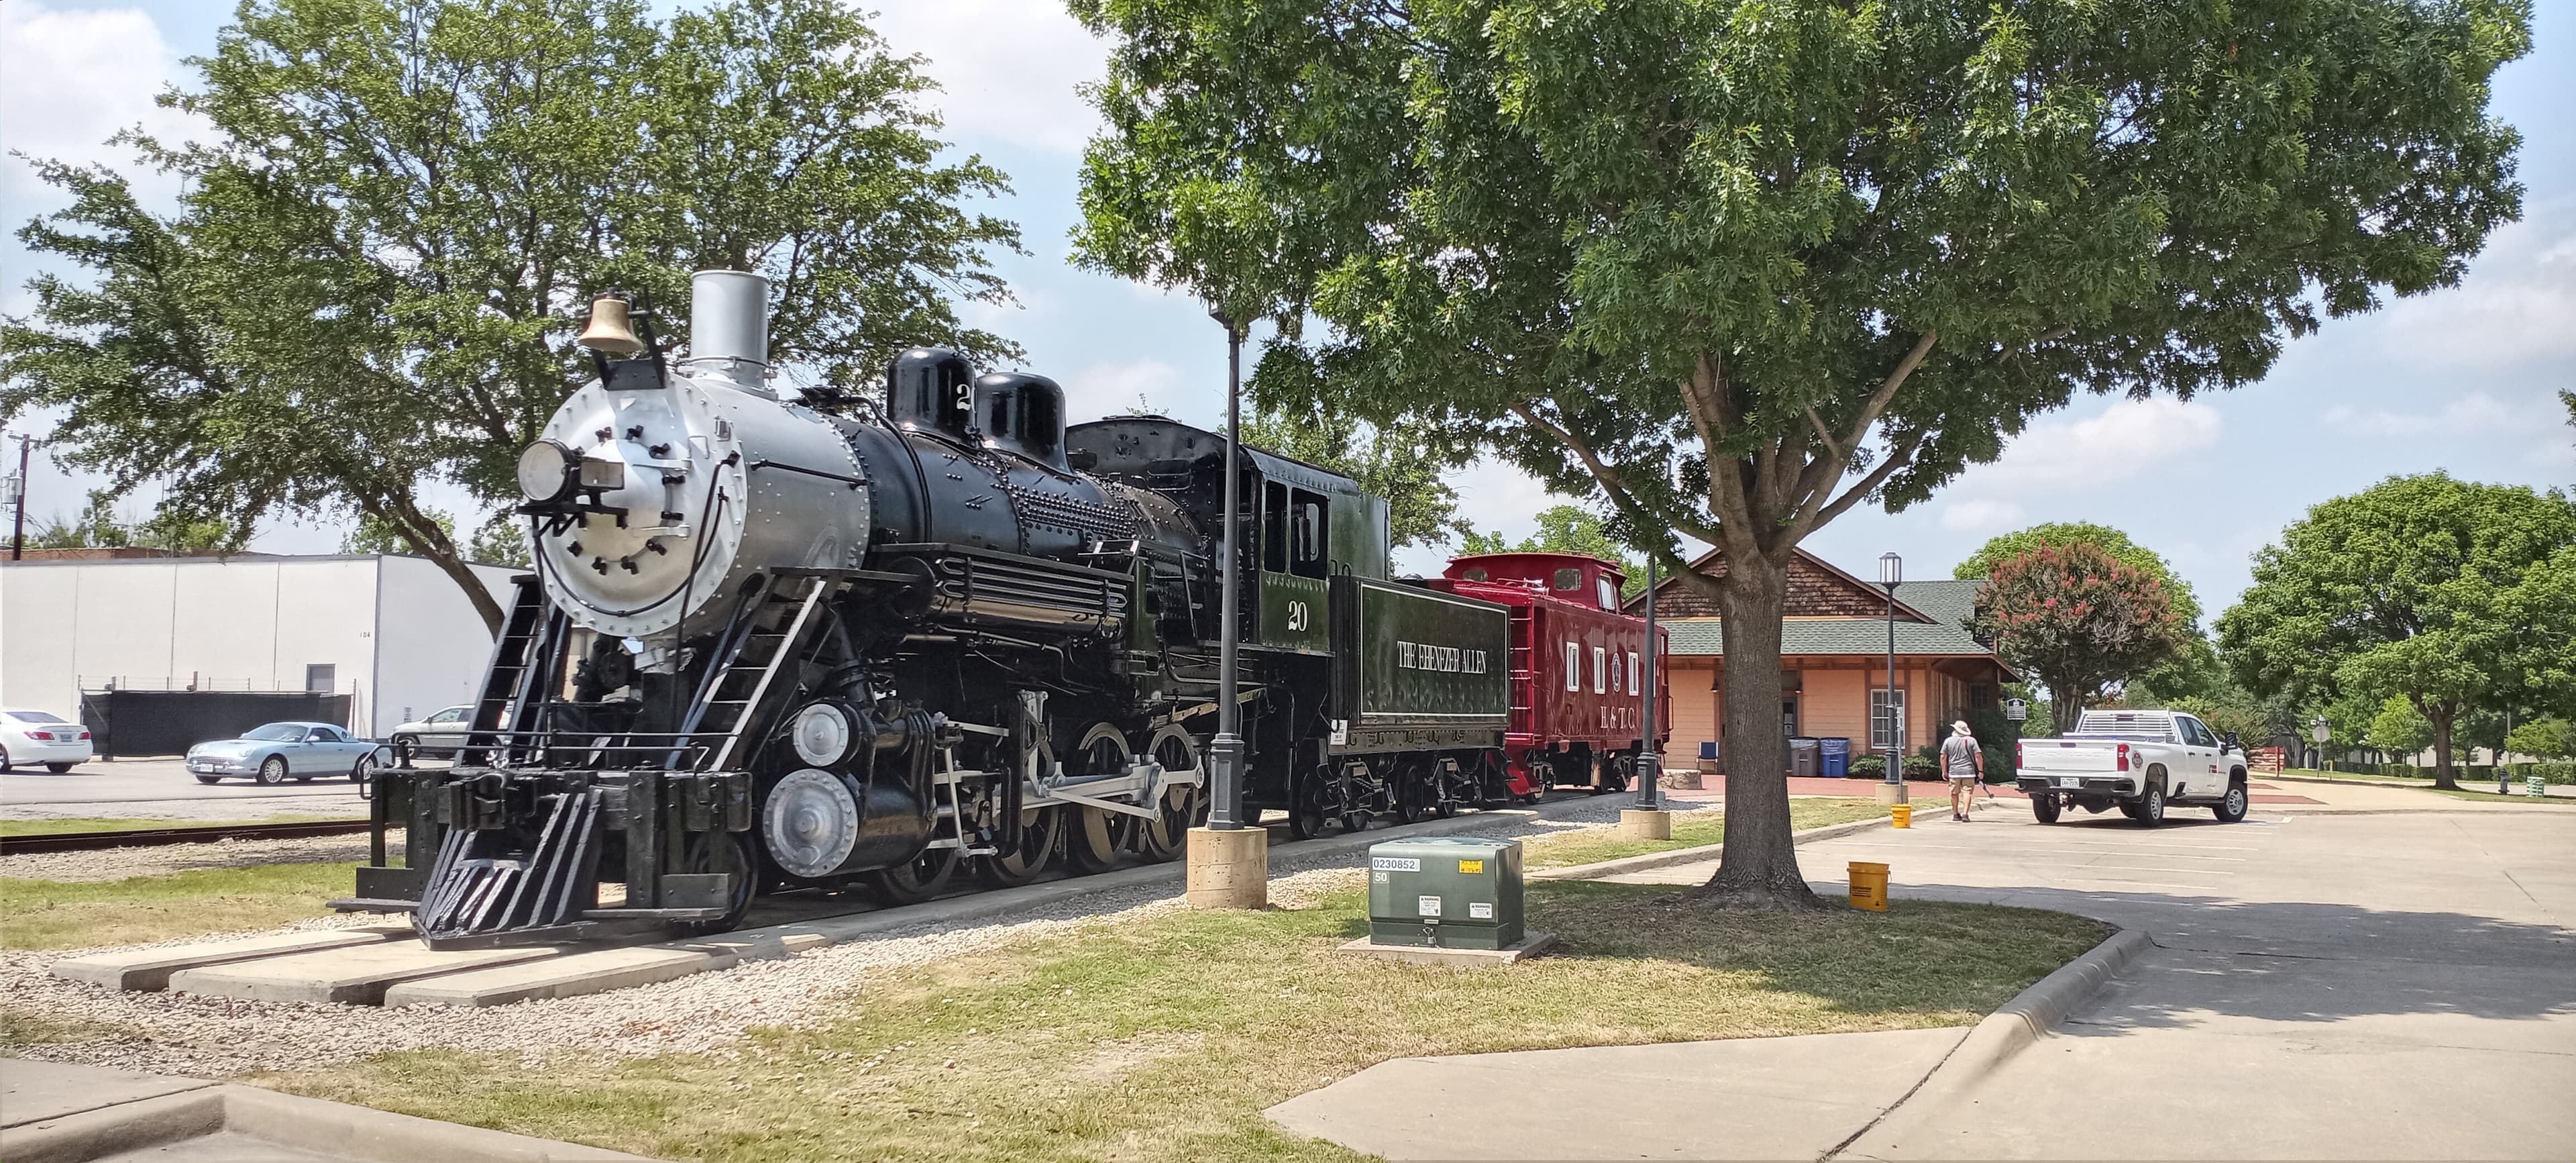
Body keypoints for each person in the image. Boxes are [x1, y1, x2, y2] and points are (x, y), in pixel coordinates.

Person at [1941, 720, 1985, 822]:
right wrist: (1981, 771)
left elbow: (1943, 756)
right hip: (1969, 772)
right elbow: (1978, 756)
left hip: (1954, 771)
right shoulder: (1972, 741)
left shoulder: (1948, 741)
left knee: (1954, 793)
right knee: (1967, 792)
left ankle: (1956, 813)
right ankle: (1965, 814)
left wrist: (1944, 771)